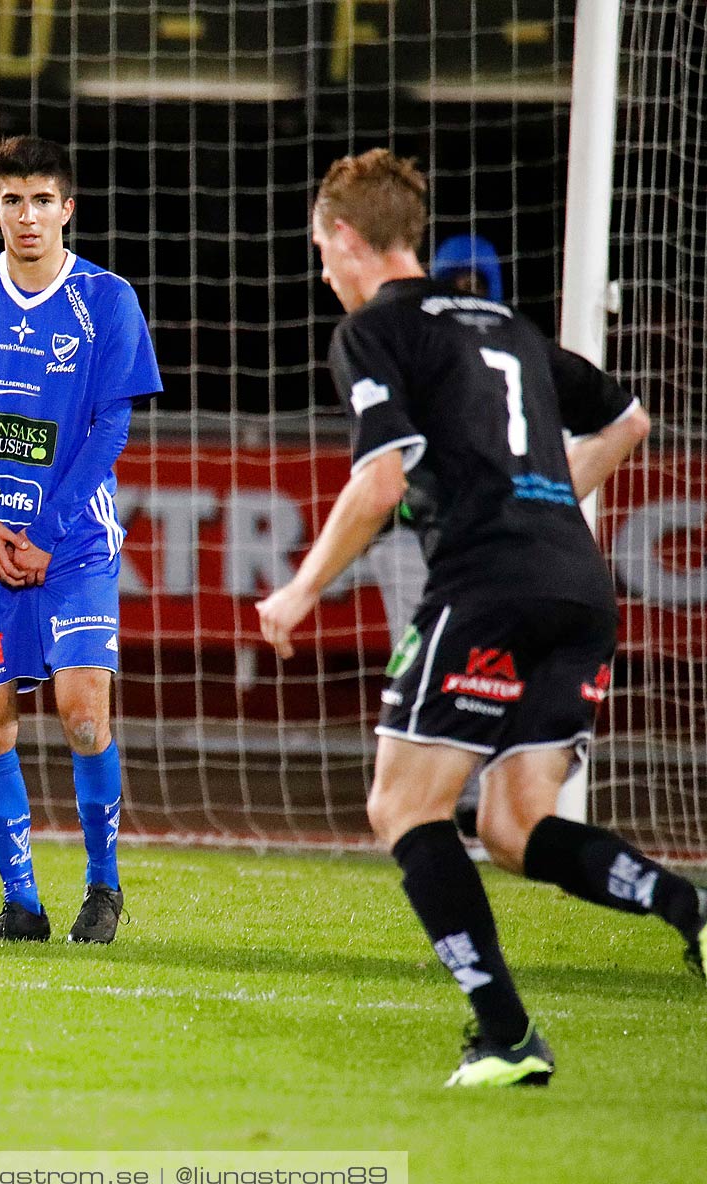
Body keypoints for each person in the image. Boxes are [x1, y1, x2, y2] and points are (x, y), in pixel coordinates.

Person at [257, 149, 705, 1086]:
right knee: (513, 825)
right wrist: (538, 503)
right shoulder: (503, 322)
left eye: (320, 249)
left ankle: (504, 1036)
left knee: (401, 806)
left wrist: (301, 590)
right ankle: (691, 910)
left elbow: (379, 481)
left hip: (488, 585)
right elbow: (629, 421)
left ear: (346, 236)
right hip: (578, 587)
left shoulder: (375, 332)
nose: (324, 271)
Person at [0, 136, 161, 942]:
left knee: (83, 717)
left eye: (42, 200)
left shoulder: (108, 299)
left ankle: (103, 887)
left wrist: (45, 531)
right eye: (12, 201)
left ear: (67, 208)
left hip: (72, 546)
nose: (27, 216)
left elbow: (110, 427)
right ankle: (21, 902)